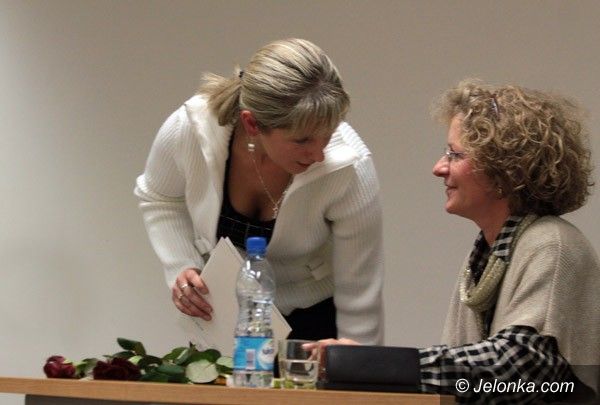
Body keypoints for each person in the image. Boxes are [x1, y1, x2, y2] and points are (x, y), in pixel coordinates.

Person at [312, 79, 600, 403]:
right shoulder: (486, 256)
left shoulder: (552, 245)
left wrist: (373, 365)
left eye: (455, 154)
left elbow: (522, 369)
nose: (439, 168)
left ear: (504, 170)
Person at [134, 38, 384, 344]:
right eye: (302, 140)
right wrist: (182, 265)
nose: (319, 154)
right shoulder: (190, 129)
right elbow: (159, 197)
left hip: (314, 318)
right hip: (226, 316)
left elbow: (360, 288)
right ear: (252, 123)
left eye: (328, 135)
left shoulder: (350, 165)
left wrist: (357, 363)